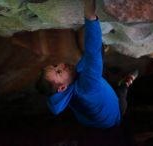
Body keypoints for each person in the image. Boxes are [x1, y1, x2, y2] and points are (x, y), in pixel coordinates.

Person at [37, 0, 138, 129]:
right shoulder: (87, 86)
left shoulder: (59, 93)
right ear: (62, 88)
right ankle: (127, 82)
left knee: (93, 62)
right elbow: (93, 52)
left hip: (88, 121)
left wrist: (100, 50)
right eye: (59, 72)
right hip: (113, 118)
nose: (62, 65)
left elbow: (92, 58)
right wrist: (90, 16)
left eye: (56, 65)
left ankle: (125, 82)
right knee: (122, 91)